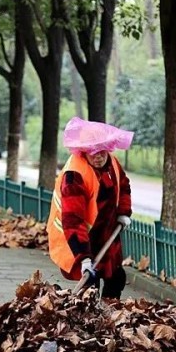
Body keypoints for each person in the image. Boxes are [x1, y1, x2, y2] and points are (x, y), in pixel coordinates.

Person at [46, 117, 133, 299]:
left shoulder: (112, 162)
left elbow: (123, 185)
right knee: (89, 283)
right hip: (83, 237)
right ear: (83, 151)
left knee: (115, 276)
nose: (99, 157)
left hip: (107, 231)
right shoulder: (74, 176)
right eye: (93, 152)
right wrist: (83, 257)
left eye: (102, 151)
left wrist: (124, 212)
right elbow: (73, 219)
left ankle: (112, 314)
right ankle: (87, 319)